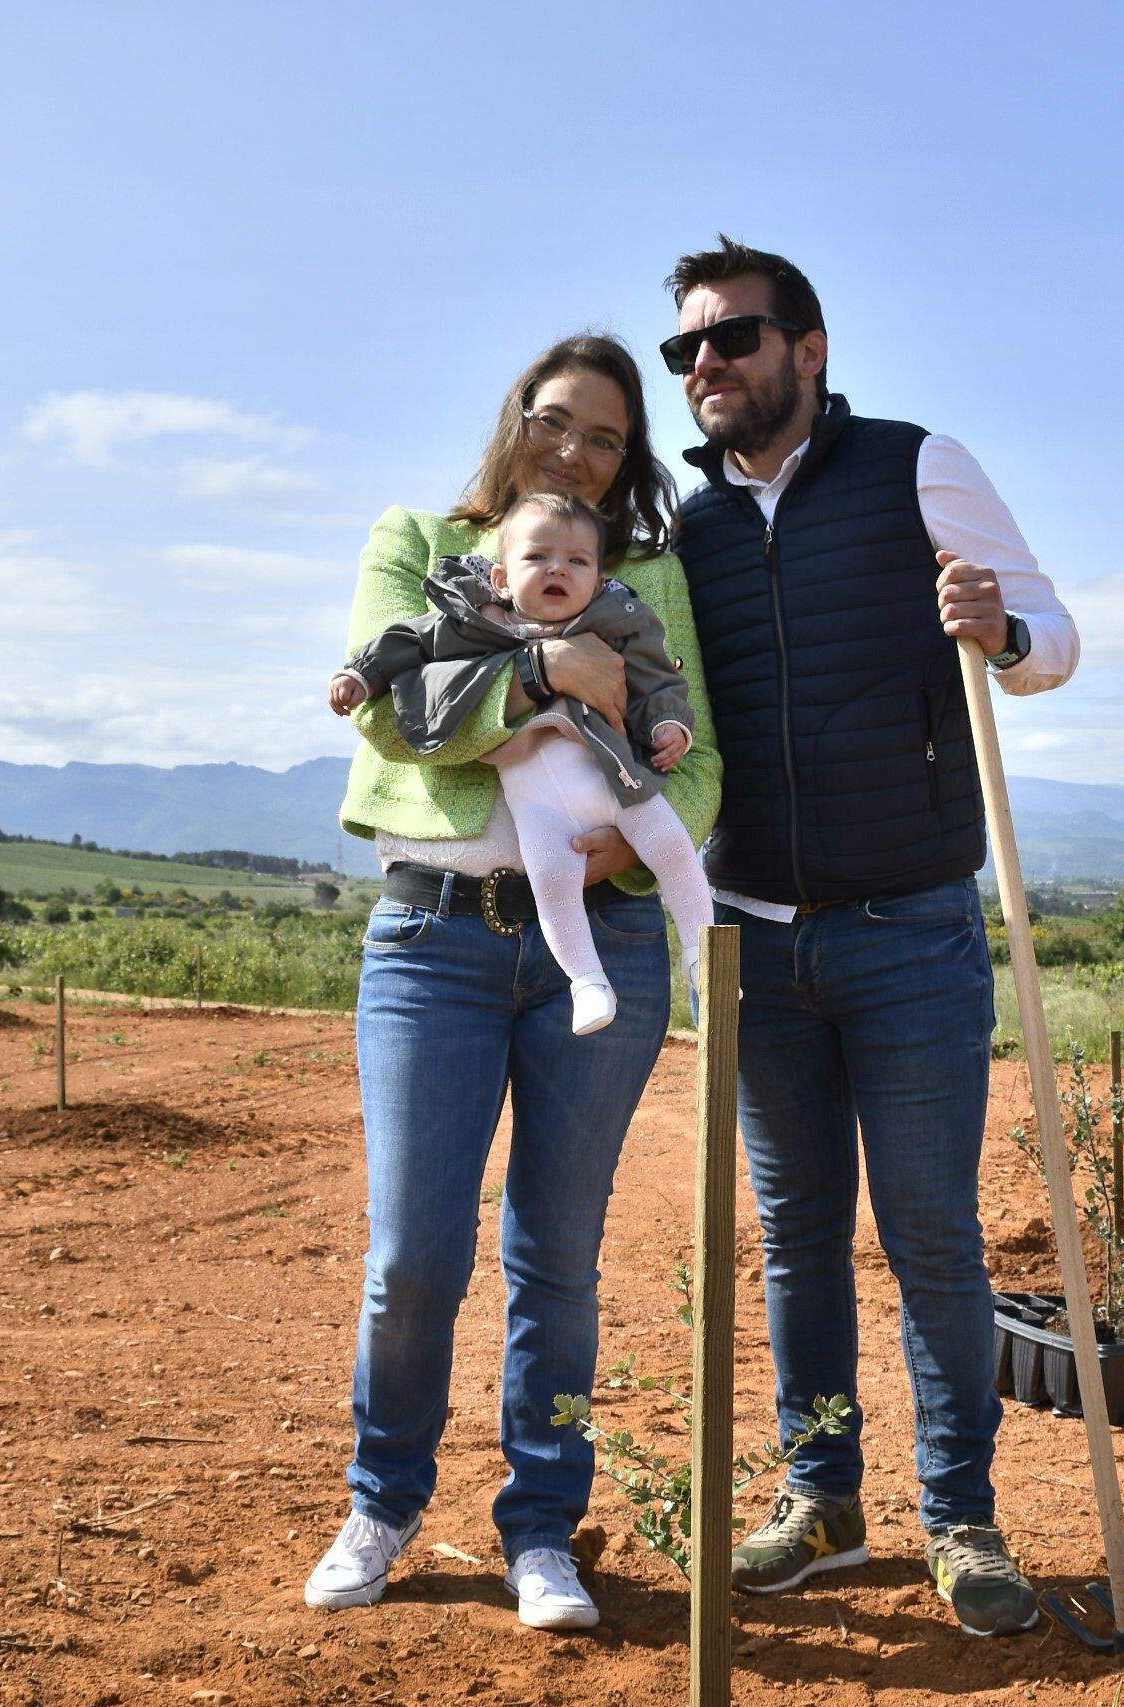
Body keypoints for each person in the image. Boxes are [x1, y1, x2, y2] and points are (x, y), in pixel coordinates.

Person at [663, 237, 1080, 1636]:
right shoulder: (683, 528)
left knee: (933, 1240)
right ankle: (824, 1501)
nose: (706, 367)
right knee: (796, 1242)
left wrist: (1004, 626)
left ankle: (961, 1519)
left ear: (810, 348)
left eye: (732, 338)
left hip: (910, 932)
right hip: (754, 940)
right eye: (688, 350)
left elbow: (1061, 637)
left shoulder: (918, 468)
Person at [304, 333, 719, 1631]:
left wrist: (619, 855)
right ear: (514, 418)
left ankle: (544, 1531)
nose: (578, 453)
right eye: (558, 423)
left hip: (599, 942)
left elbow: (694, 762)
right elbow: (388, 702)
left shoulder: (646, 574)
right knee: (412, 1258)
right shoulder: (423, 543)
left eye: (606, 438)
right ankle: (384, 1502)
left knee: (559, 1259)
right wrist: (546, 670)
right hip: (433, 936)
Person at [329, 491, 716, 1034]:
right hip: (534, 800)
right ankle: (586, 982)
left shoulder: (616, 622)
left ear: (598, 579)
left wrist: (667, 726)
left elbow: (660, 683)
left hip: (619, 777)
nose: (558, 569)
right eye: (538, 558)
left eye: (578, 562)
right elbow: (403, 645)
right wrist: (361, 674)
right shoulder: (473, 623)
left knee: (673, 847)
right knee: (553, 881)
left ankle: (702, 957)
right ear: (503, 577)